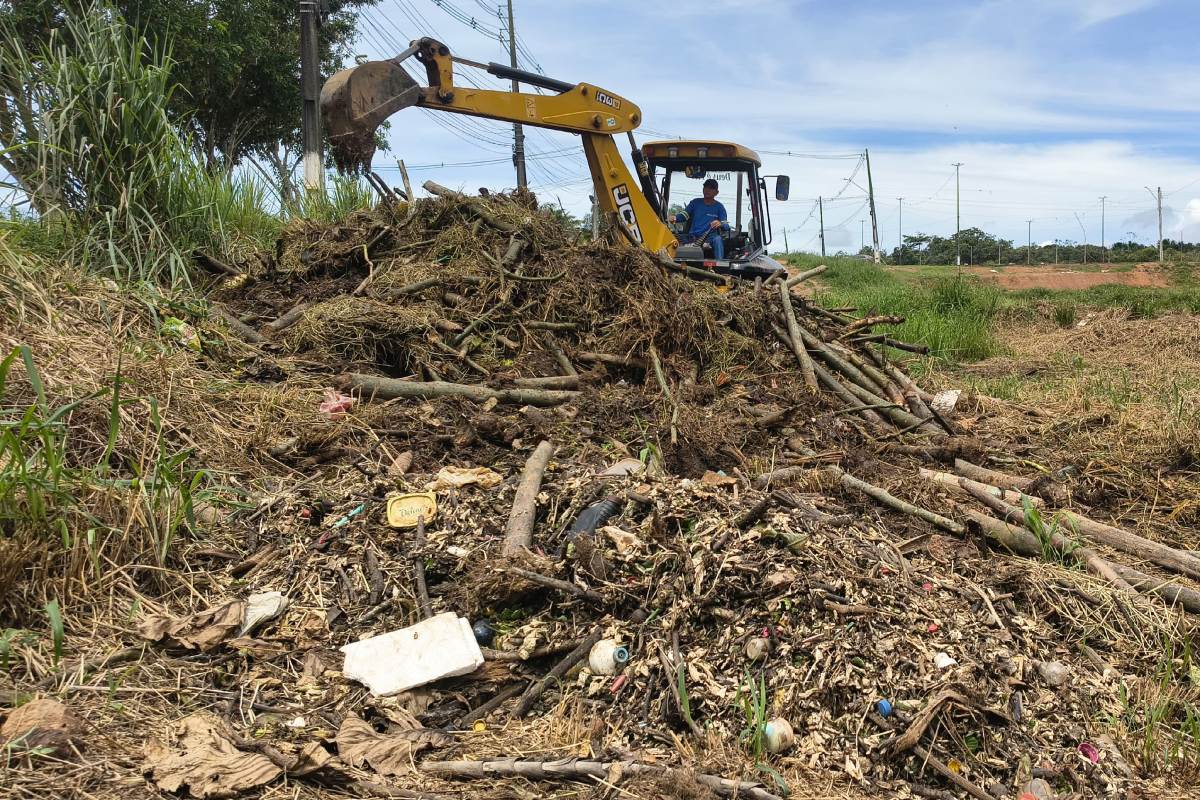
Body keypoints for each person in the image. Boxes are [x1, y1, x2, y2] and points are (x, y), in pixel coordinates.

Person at [672, 178, 729, 259]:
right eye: (706, 187)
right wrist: (675, 218)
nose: (707, 190)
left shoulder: (720, 207)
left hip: (709, 239)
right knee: (672, 238)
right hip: (692, 238)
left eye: (711, 188)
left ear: (717, 192)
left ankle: (719, 264)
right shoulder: (695, 203)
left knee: (718, 239)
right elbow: (684, 215)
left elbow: (726, 225)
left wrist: (720, 223)